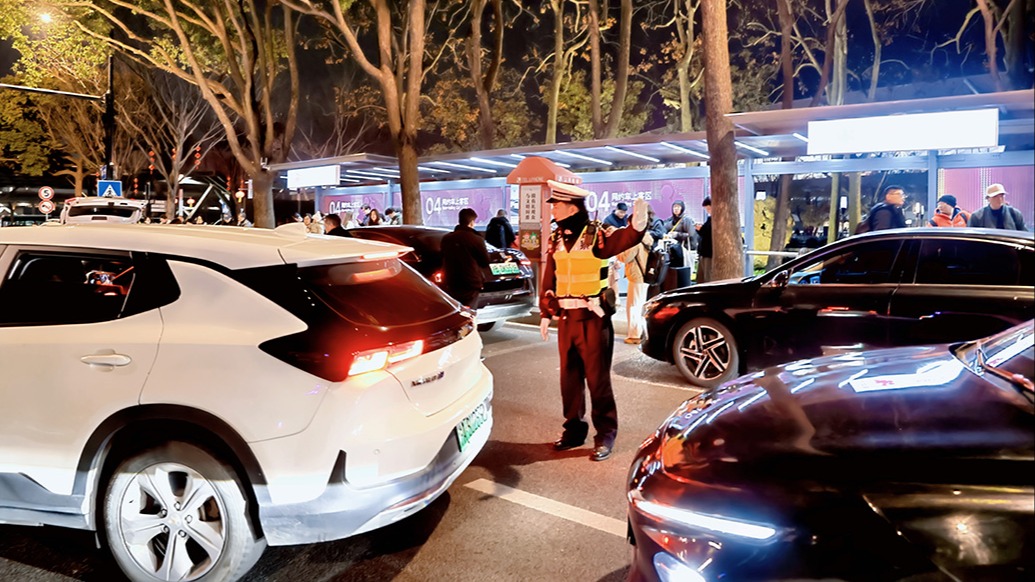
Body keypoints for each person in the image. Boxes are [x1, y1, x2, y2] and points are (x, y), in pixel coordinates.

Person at [538, 180, 647, 462]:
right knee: (569, 380)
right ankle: (573, 431)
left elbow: (622, 240)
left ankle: (605, 434)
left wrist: (637, 226)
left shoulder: (595, 234)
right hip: (567, 319)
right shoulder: (556, 238)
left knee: (598, 380)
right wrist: (546, 313)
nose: (553, 210)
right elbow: (550, 276)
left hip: (593, 319)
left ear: (572, 207)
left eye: (557, 205)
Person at [441, 208, 491, 308]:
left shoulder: (447, 238)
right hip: (470, 282)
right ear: (471, 222)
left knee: (456, 309)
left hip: (452, 281)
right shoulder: (476, 239)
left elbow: (442, 256)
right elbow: (485, 261)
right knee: (470, 311)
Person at [617, 229, 653, 344]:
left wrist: (618, 248)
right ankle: (639, 332)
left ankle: (634, 335)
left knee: (633, 307)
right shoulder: (646, 239)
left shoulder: (636, 242)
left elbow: (624, 258)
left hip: (636, 277)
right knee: (639, 305)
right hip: (644, 276)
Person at [663, 201, 697, 269]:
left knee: (684, 268)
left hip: (685, 249)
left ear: (682, 208)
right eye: (674, 207)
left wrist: (677, 234)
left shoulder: (687, 219)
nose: (676, 209)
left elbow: (691, 235)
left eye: (678, 207)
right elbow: (664, 229)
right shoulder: (670, 220)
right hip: (673, 250)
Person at [695, 197, 712, 284]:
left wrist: (701, 230)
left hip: (709, 253)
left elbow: (708, 233)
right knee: (701, 277)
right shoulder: (710, 219)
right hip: (704, 252)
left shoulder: (716, 219)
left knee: (707, 276)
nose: (708, 211)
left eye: (708, 208)